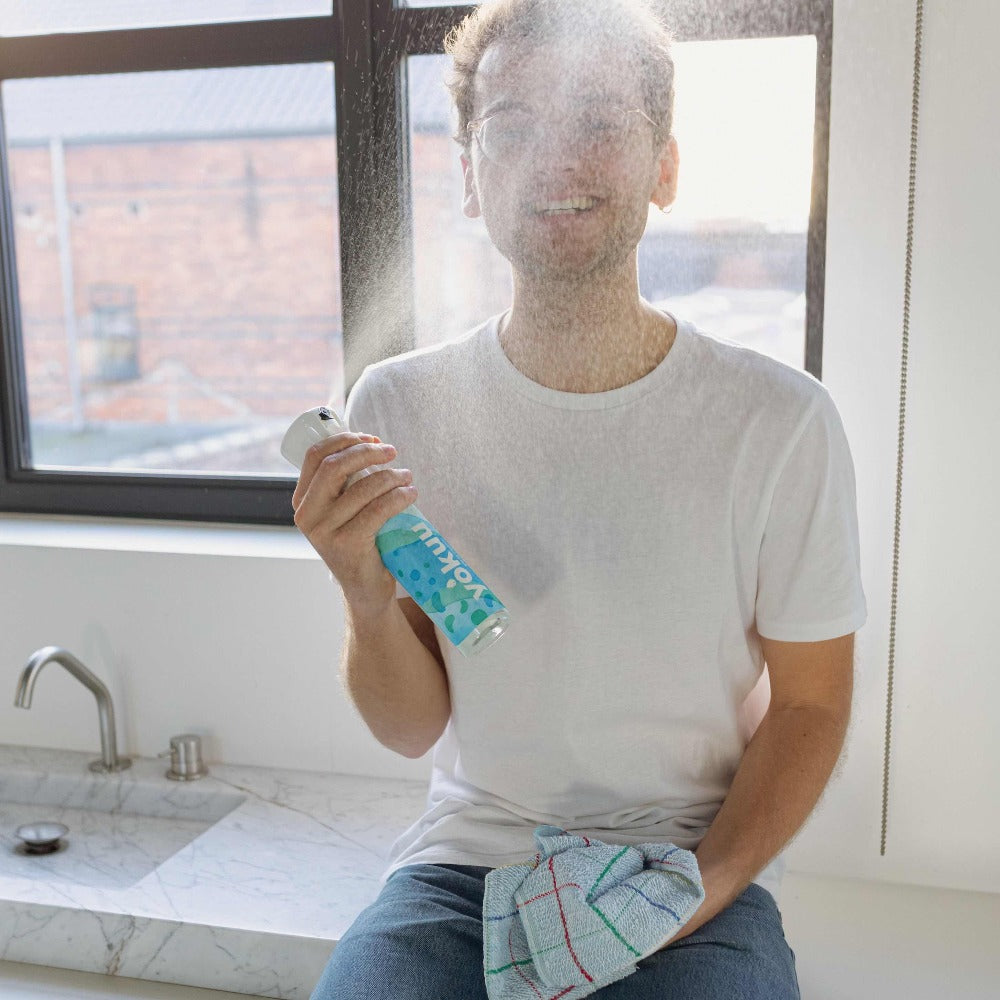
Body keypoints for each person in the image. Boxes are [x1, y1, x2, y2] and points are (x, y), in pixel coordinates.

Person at [293, 1, 867, 997]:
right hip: (463, 873)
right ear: (470, 175)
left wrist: (700, 887)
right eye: (512, 126)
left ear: (665, 167)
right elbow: (410, 727)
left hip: (685, 870)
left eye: (598, 121)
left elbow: (811, 703)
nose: (554, 158)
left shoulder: (780, 423)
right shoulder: (398, 406)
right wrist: (364, 595)